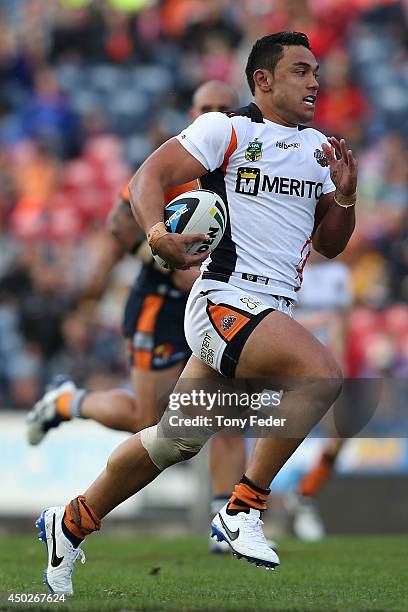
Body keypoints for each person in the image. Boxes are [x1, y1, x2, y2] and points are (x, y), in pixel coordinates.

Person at [36, 32, 357, 595]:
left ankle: (68, 523)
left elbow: (331, 244)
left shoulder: (318, 151)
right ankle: (243, 508)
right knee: (322, 375)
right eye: (301, 71)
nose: (314, 82)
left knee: (170, 441)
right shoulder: (225, 129)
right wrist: (157, 234)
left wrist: (346, 197)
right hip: (224, 301)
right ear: (263, 80)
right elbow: (146, 181)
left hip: (266, 308)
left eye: (316, 71)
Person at [26, 81, 246, 551]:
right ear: (191, 113)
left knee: (226, 412)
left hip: (218, 301)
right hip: (160, 304)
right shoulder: (175, 163)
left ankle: (225, 521)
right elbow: (115, 225)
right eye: (205, 107)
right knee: (149, 424)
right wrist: (155, 260)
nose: (214, 114)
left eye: (223, 108)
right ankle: (69, 402)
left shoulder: (249, 165)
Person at [284, 253, 353, 540]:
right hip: (290, 365)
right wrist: (314, 323)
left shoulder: (339, 272)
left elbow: (341, 322)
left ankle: (304, 495)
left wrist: (339, 358)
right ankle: (247, 506)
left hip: (326, 367)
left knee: (340, 435)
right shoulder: (290, 264)